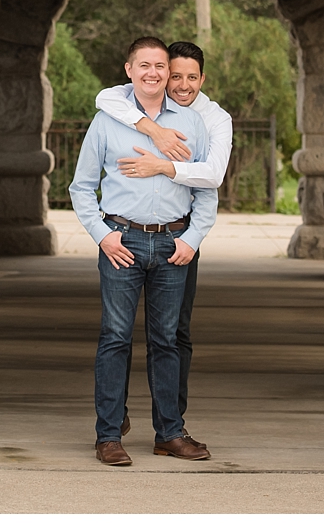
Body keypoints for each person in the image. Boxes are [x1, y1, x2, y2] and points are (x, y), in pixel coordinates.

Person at [67, 34, 219, 464]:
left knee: (166, 341)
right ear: (129, 71)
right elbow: (80, 187)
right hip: (122, 242)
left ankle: (169, 433)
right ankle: (108, 436)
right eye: (144, 66)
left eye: (160, 67)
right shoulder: (106, 121)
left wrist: (192, 238)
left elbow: (206, 187)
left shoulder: (191, 124)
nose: (153, 74)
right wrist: (103, 234)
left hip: (173, 243)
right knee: (114, 338)